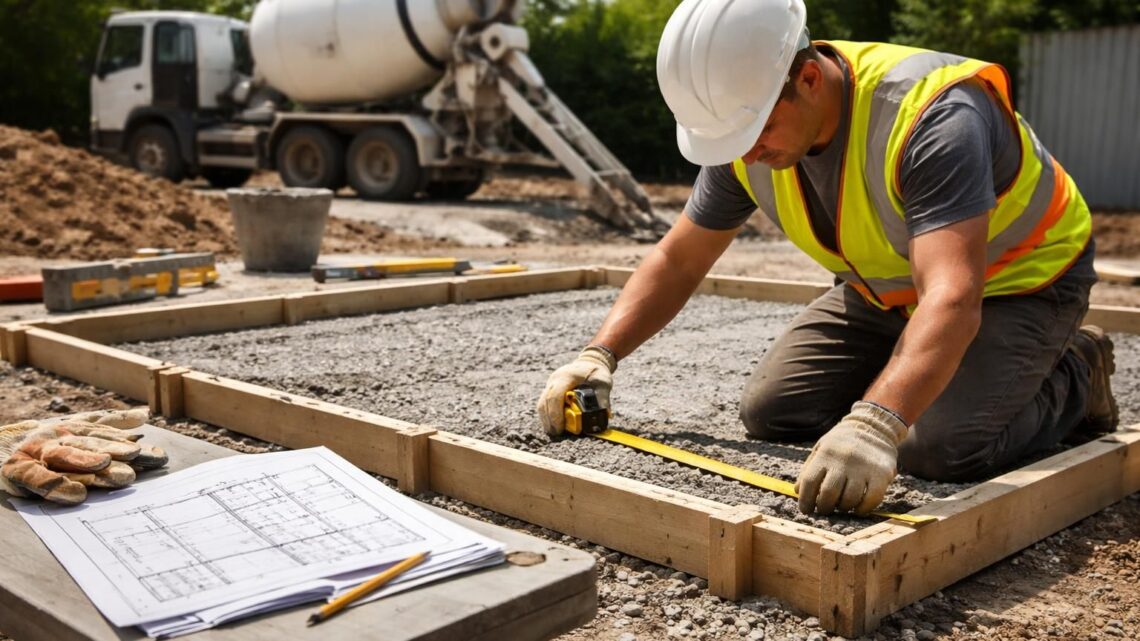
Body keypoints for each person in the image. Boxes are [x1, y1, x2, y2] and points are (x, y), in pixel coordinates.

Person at [536, 0, 1119, 517]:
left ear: (809, 77)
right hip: (889, 290)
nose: (748, 154)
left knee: (937, 448)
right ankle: (925, 371)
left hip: (1020, 280)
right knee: (774, 413)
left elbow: (953, 295)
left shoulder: (932, 117)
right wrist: (598, 355)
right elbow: (679, 259)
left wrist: (878, 422)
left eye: (754, 133)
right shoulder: (744, 134)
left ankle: (1078, 370)